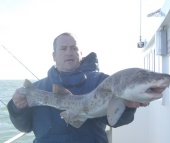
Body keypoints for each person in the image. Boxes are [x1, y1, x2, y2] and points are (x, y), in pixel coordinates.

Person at [7, 32, 147, 143]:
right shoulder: (37, 89)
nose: (69, 52)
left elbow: (116, 121)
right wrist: (17, 108)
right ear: (54, 56)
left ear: (80, 54)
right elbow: (24, 127)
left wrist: (128, 106)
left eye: (74, 48)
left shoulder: (101, 82)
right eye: (63, 48)